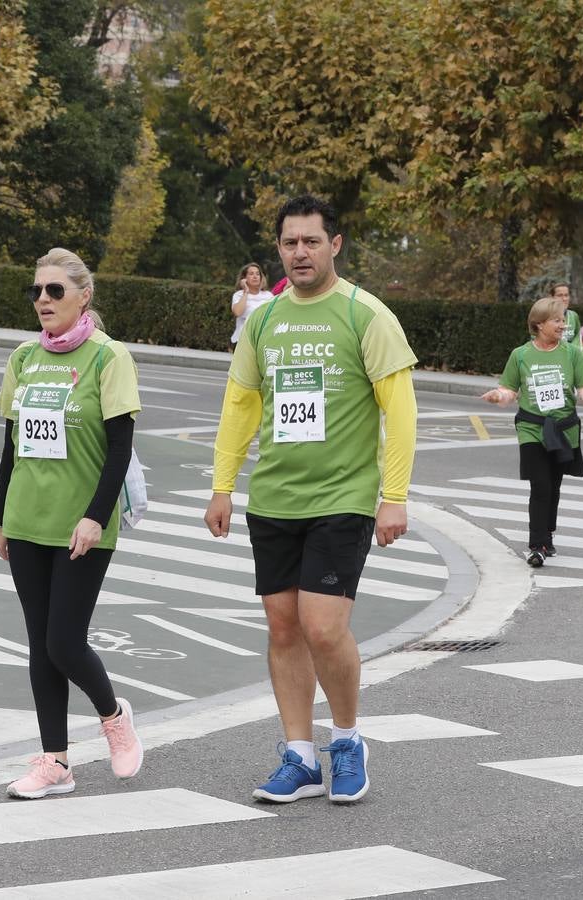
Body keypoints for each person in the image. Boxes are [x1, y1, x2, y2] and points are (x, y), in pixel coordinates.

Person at [203, 195, 418, 805]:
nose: (300, 252)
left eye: (311, 241)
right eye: (290, 242)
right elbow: (240, 403)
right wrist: (223, 484)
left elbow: (399, 411)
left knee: (324, 628)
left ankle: (346, 741)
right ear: (279, 250)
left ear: (335, 245)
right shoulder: (265, 321)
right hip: (274, 496)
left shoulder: (364, 315)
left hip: (343, 496)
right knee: (282, 626)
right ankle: (298, 753)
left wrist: (393, 496)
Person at [0, 247, 145, 799]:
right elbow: (11, 445)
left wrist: (96, 517)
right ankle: (54, 760)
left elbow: (120, 448)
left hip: (82, 525)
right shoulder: (24, 359)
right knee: (39, 643)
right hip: (27, 518)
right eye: (37, 291)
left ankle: (113, 716)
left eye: (55, 291)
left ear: (84, 296)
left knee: (64, 641)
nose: (43, 301)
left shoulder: (108, 358)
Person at [482, 296, 583, 567]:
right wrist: (498, 396)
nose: (562, 326)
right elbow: (509, 390)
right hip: (531, 428)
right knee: (540, 484)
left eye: (563, 320)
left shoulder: (571, 352)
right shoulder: (520, 354)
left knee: (554, 486)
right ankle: (537, 545)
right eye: (556, 320)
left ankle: (547, 534)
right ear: (539, 324)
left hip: (562, 429)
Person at [551, 282, 583, 372]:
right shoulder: (545, 316)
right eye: (560, 295)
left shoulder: (573, 316)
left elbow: (577, 338)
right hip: (552, 362)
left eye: (566, 295)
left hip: (570, 363)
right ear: (552, 298)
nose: (564, 299)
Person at [229, 262, 273, 346]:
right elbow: (238, 312)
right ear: (244, 278)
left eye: (257, 274)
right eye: (251, 274)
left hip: (263, 339)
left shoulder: (268, 296)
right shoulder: (239, 295)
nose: (255, 276)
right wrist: (246, 291)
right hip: (242, 340)